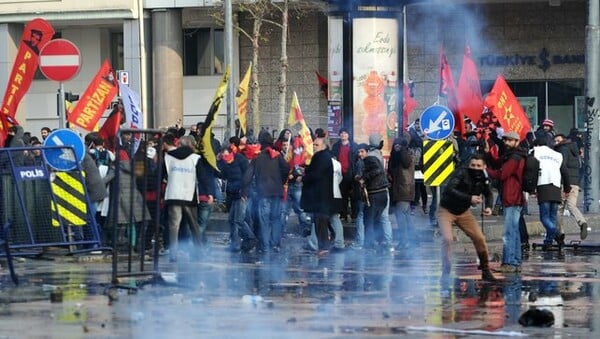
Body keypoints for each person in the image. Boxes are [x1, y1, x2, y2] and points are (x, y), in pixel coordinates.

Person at [437, 153, 497, 281]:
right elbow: (449, 189)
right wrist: (470, 198)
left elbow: (488, 193)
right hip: (446, 210)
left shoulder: (484, 178)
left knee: (480, 238)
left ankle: (485, 270)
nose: (475, 168)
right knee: (447, 239)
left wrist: (489, 207)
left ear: (484, 167)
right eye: (473, 165)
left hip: (463, 212)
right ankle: (446, 272)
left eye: (478, 166)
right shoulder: (461, 173)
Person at [163, 135, 212, 262]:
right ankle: (199, 252)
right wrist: (209, 193)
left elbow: (162, 176)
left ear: (179, 144)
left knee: (174, 226)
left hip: (173, 194)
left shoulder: (168, 157)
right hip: (189, 195)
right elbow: (202, 177)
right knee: (194, 226)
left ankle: (173, 254)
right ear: (190, 145)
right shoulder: (195, 158)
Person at [485, 131, 527, 274]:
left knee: (509, 232)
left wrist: (486, 171)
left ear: (516, 142)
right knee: (514, 232)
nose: (506, 143)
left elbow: (502, 174)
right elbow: (498, 163)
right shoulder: (512, 156)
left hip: (512, 197)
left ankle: (509, 262)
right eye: (505, 140)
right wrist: (488, 154)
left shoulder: (515, 157)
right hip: (513, 197)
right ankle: (515, 262)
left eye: (509, 140)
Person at [241, 132, 289, 253]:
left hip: (263, 193)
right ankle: (275, 244)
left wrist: (244, 192)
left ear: (261, 143)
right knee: (276, 219)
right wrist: (281, 181)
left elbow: (247, 176)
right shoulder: (277, 156)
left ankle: (266, 246)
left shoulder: (257, 158)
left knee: (264, 220)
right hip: (277, 193)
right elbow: (287, 168)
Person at [301, 135, 341, 256]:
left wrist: (305, 176)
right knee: (321, 221)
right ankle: (325, 244)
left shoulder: (322, 157)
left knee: (321, 222)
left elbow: (317, 174)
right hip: (321, 195)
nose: (314, 147)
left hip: (322, 196)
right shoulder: (322, 156)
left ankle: (325, 246)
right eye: (313, 144)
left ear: (324, 146)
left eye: (316, 145)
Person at [533, 138, 571, 251]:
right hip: (556, 187)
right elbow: (565, 172)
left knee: (544, 217)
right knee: (552, 217)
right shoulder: (557, 155)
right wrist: (567, 189)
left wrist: (531, 188)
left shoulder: (535, 152)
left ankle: (556, 233)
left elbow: (532, 169)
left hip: (543, 185)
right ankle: (548, 242)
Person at [218, 146, 257, 252]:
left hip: (242, 194)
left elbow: (248, 176)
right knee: (231, 220)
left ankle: (250, 238)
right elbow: (222, 175)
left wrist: (244, 192)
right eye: (223, 156)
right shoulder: (224, 163)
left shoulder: (240, 159)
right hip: (232, 194)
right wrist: (217, 163)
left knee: (239, 220)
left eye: (226, 156)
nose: (225, 158)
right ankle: (235, 244)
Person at [554, 133, 588, 239]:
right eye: (555, 140)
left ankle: (560, 233)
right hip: (575, 183)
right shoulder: (574, 151)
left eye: (557, 140)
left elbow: (562, 166)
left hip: (565, 182)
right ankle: (582, 222)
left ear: (563, 140)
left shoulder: (562, 149)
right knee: (572, 205)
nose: (556, 142)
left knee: (559, 208)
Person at [388, 136, 415, 249]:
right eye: (395, 145)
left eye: (399, 145)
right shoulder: (395, 156)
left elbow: (406, 163)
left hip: (404, 189)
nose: (396, 148)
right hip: (399, 189)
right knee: (406, 217)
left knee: (401, 217)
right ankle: (412, 240)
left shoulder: (405, 155)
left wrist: (402, 149)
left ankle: (404, 241)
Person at [331, 127, 358, 221]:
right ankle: (343, 214)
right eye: (341, 133)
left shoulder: (354, 146)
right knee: (342, 195)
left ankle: (355, 215)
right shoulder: (336, 146)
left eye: (345, 133)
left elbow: (356, 160)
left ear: (348, 135)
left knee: (353, 195)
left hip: (351, 173)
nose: (343, 135)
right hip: (340, 173)